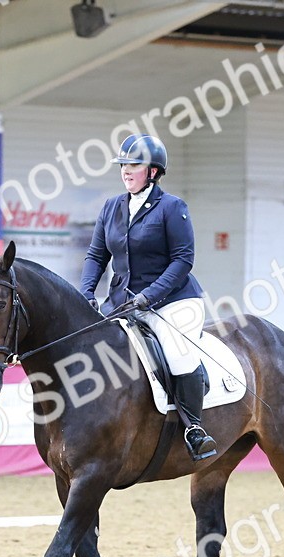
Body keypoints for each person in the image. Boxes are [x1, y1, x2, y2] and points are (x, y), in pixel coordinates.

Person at [80, 133, 217, 461]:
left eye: (134, 165)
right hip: (123, 303)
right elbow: (96, 256)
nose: (126, 171)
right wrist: (85, 293)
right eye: (123, 165)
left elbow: (183, 260)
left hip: (173, 300)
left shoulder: (172, 208)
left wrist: (149, 296)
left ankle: (193, 428)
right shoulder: (112, 207)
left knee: (178, 352)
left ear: (153, 172)